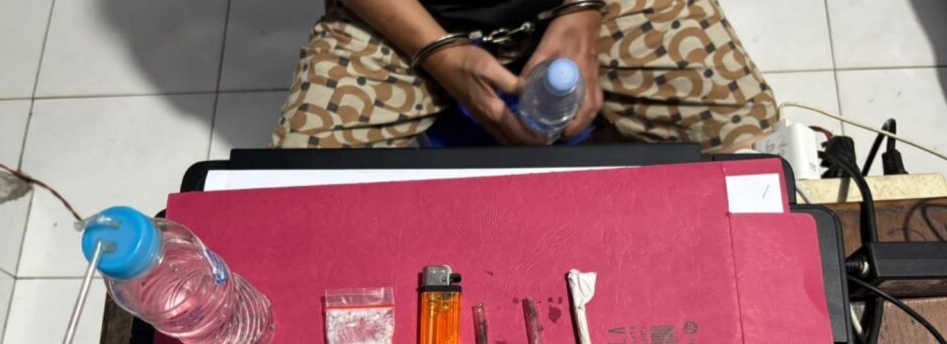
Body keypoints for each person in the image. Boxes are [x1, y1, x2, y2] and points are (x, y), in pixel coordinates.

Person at [271, 0, 777, 152]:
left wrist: (583, 11)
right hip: (408, 16)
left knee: (749, 140)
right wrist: (439, 54)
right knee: (304, 182)